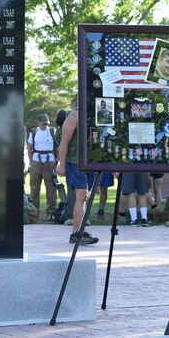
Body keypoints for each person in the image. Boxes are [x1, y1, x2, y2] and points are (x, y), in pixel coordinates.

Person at [55, 104, 98, 245]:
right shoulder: (74, 116)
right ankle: (76, 233)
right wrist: (61, 164)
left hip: (90, 162)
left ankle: (79, 232)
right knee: (81, 196)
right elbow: (64, 141)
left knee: (84, 198)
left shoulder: (96, 114)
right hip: (75, 162)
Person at [27, 113, 57, 219]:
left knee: (51, 187)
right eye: (43, 123)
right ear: (38, 122)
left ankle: (51, 212)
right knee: (34, 187)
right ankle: (34, 212)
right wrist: (32, 161)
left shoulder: (53, 131)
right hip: (36, 161)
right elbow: (29, 148)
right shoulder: (34, 132)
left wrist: (56, 161)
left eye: (46, 123)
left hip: (49, 162)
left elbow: (58, 147)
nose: (45, 125)